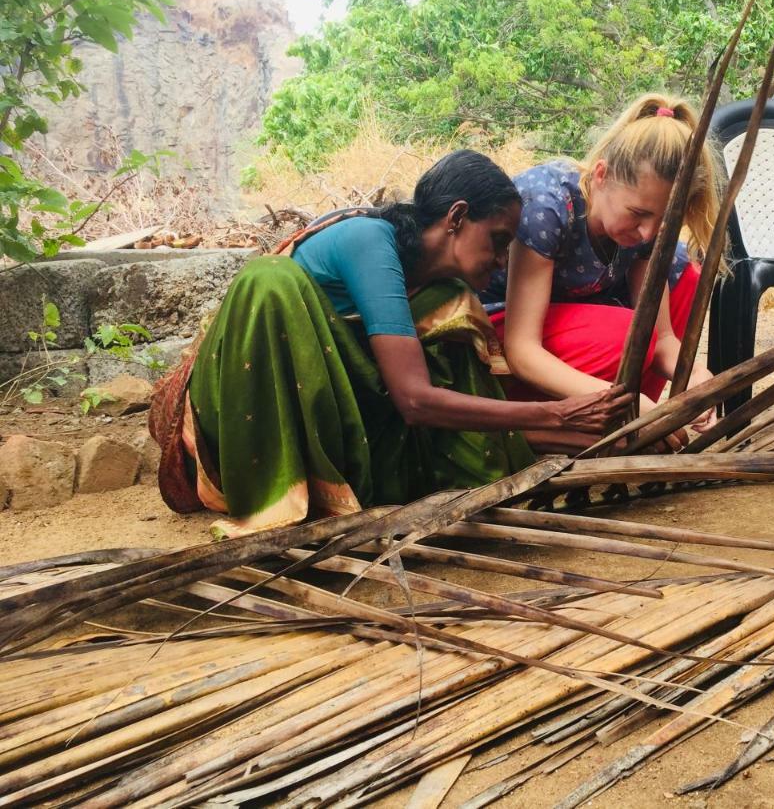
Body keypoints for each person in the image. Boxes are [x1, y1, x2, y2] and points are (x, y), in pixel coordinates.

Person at [149, 150, 630, 538]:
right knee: (268, 280)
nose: (503, 261)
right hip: (248, 411)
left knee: (451, 305)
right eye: (498, 240)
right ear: (456, 217)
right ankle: (276, 490)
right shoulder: (370, 241)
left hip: (342, 411)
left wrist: (586, 428)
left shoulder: (436, 286)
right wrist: (553, 414)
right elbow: (414, 400)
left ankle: (484, 464)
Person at [480, 94, 722, 428]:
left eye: (664, 219)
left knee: (683, 275)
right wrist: (625, 404)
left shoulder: (645, 231)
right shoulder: (547, 205)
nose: (649, 232)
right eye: (638, 214)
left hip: (575, 323)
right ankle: (615, 414)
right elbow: (522, 350)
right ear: (600, 175)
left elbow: (663, 337)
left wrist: (695, 377)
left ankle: (637, 422)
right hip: (502, 330)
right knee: (628, 334)